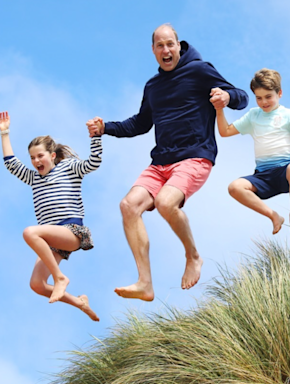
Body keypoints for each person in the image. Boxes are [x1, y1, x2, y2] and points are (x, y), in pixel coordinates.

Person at [86, 23, 248, 300]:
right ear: (153, 50)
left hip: (195, 156)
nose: (166, 50)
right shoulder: (153, 86)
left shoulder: (199, 70)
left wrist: (226, 96)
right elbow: (139, 124)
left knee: (165, 202)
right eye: (160, 46)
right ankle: (145, 283)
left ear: (178, 45)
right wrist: (106, 128)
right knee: (128, 206)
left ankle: (193, 256)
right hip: (160, 162)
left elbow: (242, 98)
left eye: (170, 44)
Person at [1, 111, 102, 321]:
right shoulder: (34, 178)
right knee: (36, 285)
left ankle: (59, 278)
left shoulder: (68, 168)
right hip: (52, 240)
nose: (36, 160)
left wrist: (96, 138)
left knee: (30, 232)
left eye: (40, 156)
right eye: (32, 158)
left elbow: (93, 163)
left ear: (52, 156)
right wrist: (5, 133)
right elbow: (11, 163)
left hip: (71, 231)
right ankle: (80, 302)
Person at [214, 68, 290, 235]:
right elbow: (225, 131)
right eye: (259, 98)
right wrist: (219, 109)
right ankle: (273, 216)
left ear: (279, 93)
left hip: (286, 172)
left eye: (268, 96)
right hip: (263, 176)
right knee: (234, 187)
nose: (264, 102)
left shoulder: (289, 114)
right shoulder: (253, 115)